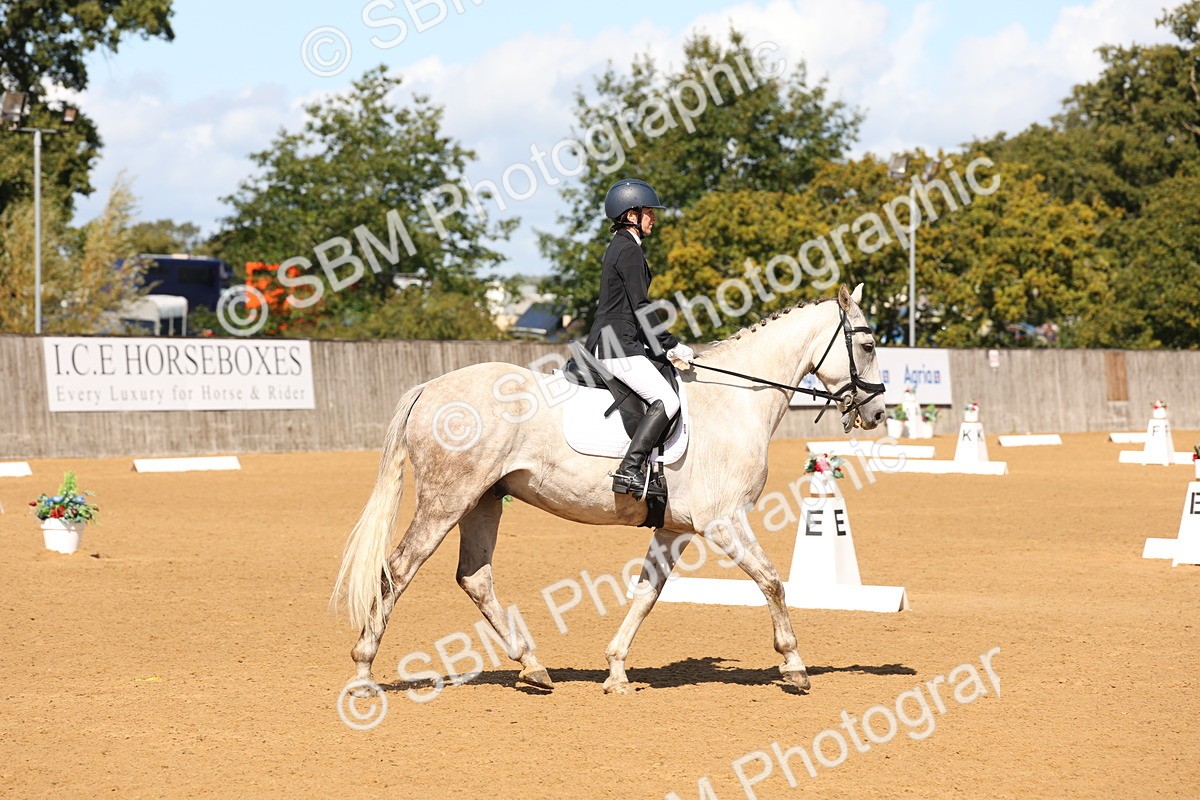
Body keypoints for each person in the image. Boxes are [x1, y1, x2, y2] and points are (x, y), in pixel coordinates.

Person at [584, 178, 694, 497]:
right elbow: (641, 306)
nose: (654, 218)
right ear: (632, 215)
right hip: (617, 345)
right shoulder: (627, 249)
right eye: (649, 212)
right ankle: (629, 469)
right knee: (667, 400)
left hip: (622, 340)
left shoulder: (624, 246)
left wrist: (656, 348)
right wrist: (671, 345)